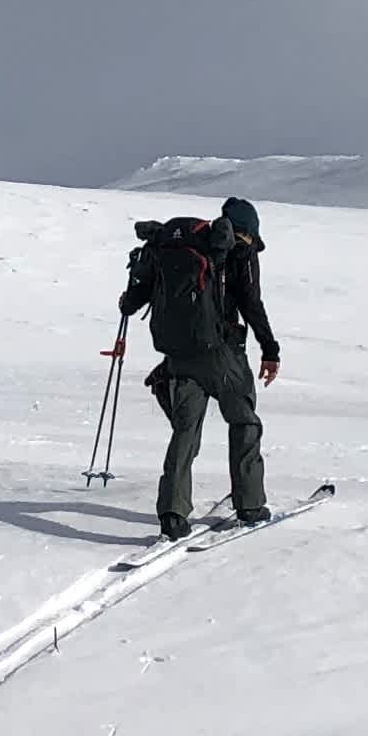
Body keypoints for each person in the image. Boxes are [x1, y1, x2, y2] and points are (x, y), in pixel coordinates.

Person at [121, 193, 280, 537]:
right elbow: (252, 303)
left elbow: (136, 297)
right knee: (244, 422)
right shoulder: (237, 252)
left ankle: (173, 514)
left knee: (185, 431)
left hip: (178, 356)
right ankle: (250, 504)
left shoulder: (183, 247)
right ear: (248, 232)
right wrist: (270, 350)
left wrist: (128, 301)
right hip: (223, 356)